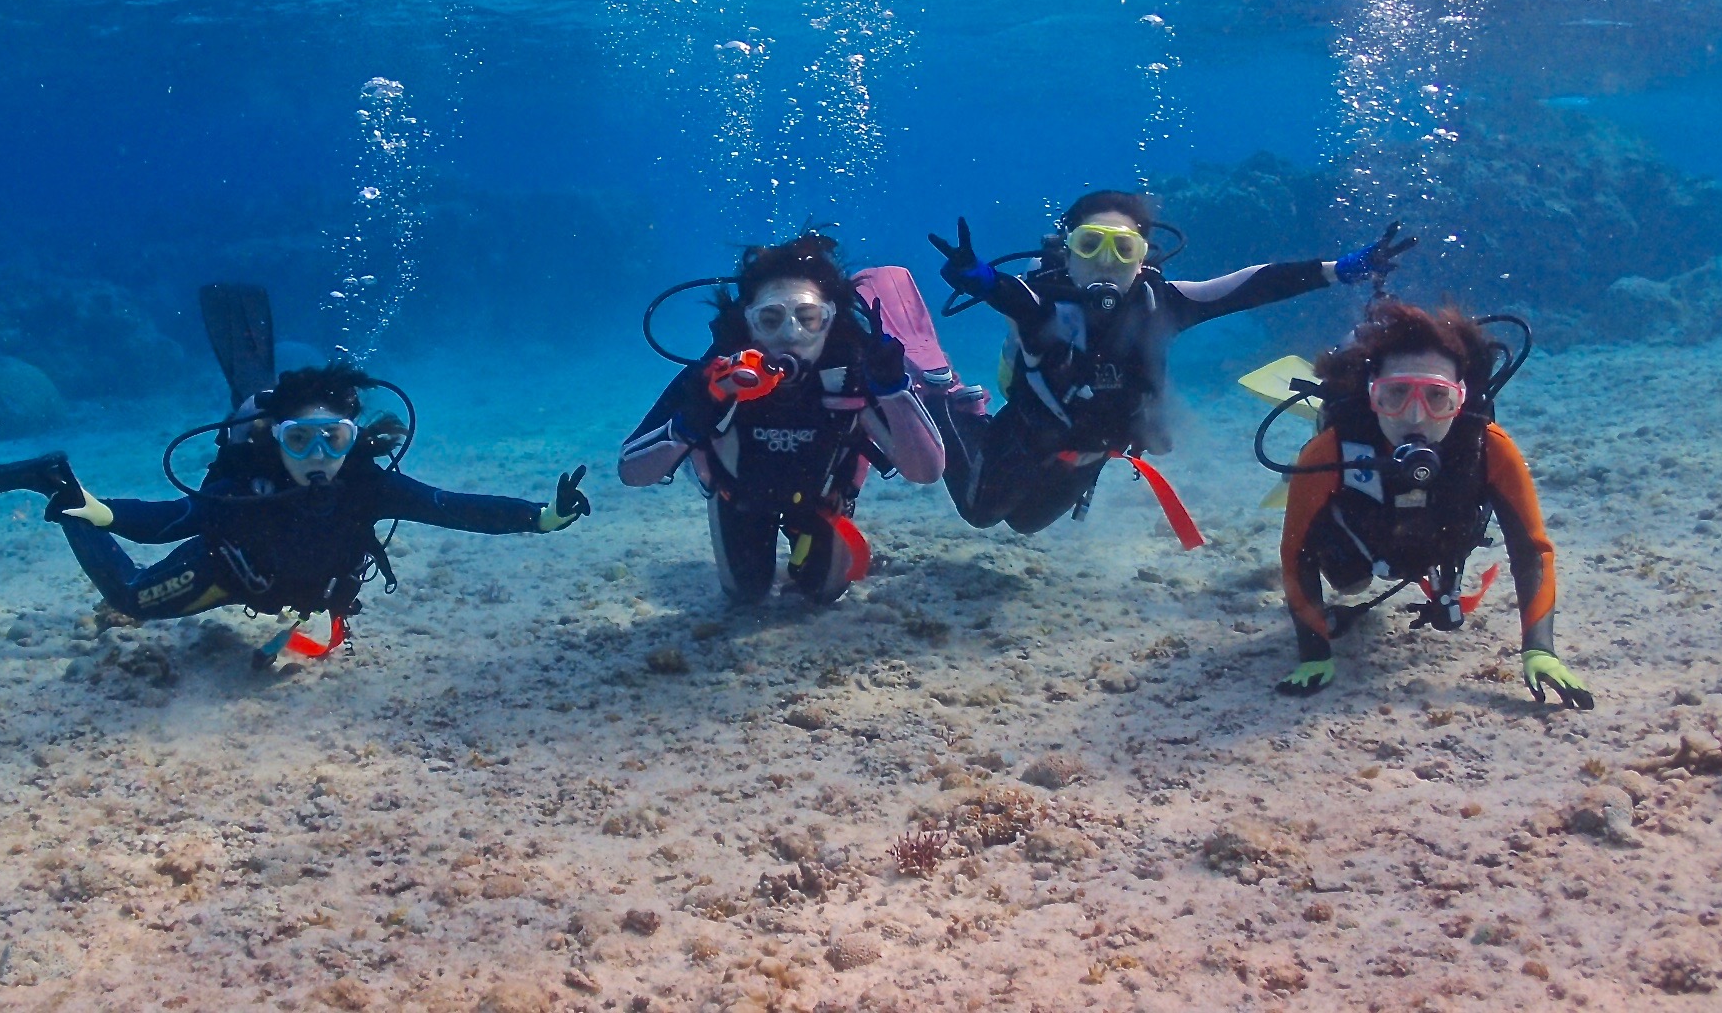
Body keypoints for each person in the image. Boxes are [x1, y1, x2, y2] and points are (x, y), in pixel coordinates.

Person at [0, 285, 589, 664]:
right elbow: (168, 520)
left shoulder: (367, 484)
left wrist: (542, 517)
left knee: (326, 623)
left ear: (354, 438)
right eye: (301, 438)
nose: (319, 454)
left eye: (335, 438)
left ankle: (299, 637)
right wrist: (94, 509)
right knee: (131, 600)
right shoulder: (243, 493)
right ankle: (50, 480)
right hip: (226, 573)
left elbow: (456, 507)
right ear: (275, 439)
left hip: (309, 592)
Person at [925, 190, 1416, 535]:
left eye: (1123, 247)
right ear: (1067, 254)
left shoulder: (1164, 303)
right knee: (982, 513)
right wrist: (978, 277)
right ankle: (951, 407)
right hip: (1027, 434)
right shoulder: (1043, 305)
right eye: (1090, 244)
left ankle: (1003, 442)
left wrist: (1340, 270)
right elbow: (1006, 293)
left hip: (1092, 450)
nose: (1104, 261)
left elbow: (1249, 286)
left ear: (1143, 258)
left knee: (1025, 523)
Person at [1273, 298, 1591, 708]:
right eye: (1396, 395)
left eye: (1437, 398)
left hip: (1440, 541)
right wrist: (1314, 653)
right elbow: (1296, 554)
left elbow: (1531, 552)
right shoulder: (1328, 451)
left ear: (1461, 399)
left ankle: (1436, 577)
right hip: (1358, 540)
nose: (1416, 418)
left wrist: (1540, 649)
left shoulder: (1489, 448)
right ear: (1372, 395)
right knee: (1348, 580)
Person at [619, 233, 944, 604]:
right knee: (745, 594)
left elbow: (926, 472)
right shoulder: (718, 375)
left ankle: (812, 538)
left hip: (822, 499)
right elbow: (632, 472)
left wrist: (893, 391)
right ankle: (709, 477)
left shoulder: (855, 372)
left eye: (809, 319)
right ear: (747, 323)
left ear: (831, 320)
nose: (791, 336)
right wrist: (691, 422)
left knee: (825, 593)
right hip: (740, 498)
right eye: (770, 320)